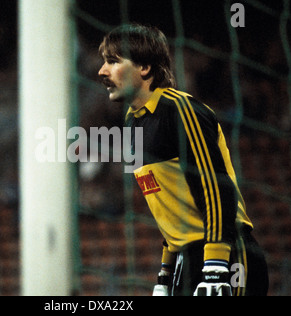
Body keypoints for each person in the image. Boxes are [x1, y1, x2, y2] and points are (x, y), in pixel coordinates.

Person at [98, 23, 269, 296]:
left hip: (226, 254)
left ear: (144, 67)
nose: (102, 71)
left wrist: (215, 267)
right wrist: (165, 274)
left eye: (113, 61)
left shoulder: (180, 109)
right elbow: (171, 212)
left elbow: (215, 188)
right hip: (186, 261)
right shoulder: (132, 122)